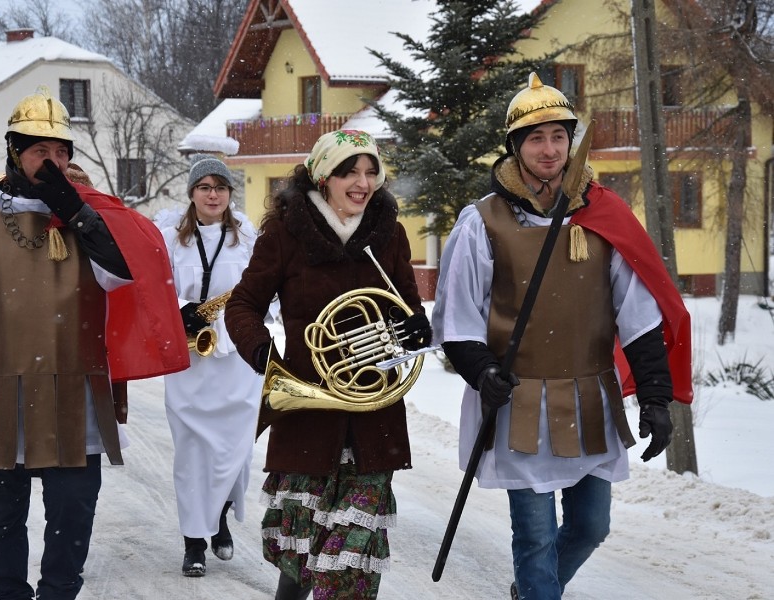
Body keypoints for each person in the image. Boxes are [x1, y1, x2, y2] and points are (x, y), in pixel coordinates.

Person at [431, 73, 693, 600]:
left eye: (558, 136)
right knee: (534, 537)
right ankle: (536, 590)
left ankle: (530, 591)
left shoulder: (602, 216)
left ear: (571, 141)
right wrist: (483, 373)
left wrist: (657, 399)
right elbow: (457, 321)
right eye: (535, 138)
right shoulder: (481, 222)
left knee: (591, 527)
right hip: (518, 401)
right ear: (515, 147)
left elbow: (638, 318)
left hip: (590, 399)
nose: (549, 150)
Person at [0, 85, 189, 600]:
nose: (53, 161)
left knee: (72, 515)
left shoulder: (89, 212)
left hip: (76, 388)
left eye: (62, 151)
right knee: (2, 519)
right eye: (41, 150)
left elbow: (123, 275)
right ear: (14, 150)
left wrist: (76, 209)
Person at [224, 129, 433, 600]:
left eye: (370, 172)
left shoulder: (389, 232)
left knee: (352, 562)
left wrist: (416, 326)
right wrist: (263, 353)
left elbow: (406, 306)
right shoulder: (285, 233)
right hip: (308, 410)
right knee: (301, 560)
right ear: (323, 177)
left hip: (372, 411)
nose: (363, 183)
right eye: (349, 172)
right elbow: (242, 306)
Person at [160, 154, 262, 577]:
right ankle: (193, 542)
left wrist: (224, 315)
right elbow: (154, 289)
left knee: (231, 451)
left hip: (234, 359)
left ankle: (219, 517)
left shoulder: (248, 238)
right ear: (192, 193)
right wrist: (182, 310)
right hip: (189, 361)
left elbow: (264, 295)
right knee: (192, 454)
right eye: (205, 187)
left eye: (221, 187)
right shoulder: (169, 238)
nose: (214, 194)